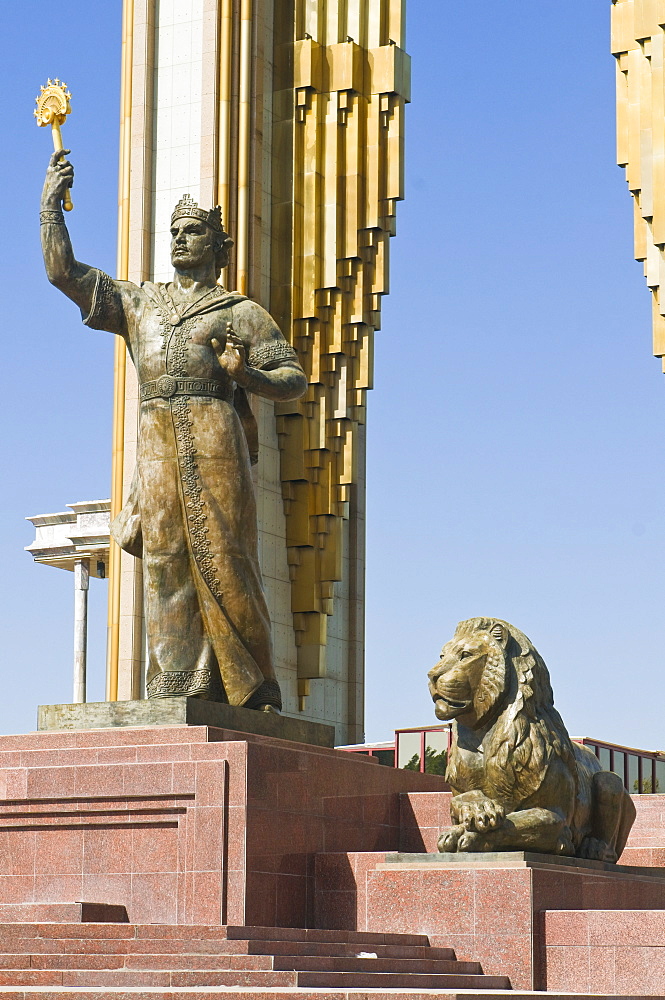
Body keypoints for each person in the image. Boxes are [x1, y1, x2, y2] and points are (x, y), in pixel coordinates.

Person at [40, 149, 307, 711]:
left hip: (216, 437)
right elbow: (65, 274)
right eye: (175, 231)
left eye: (193, 232)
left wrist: (246, 372)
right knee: (164, 557)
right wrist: (51, 210)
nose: (181, 239)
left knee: (226, 555)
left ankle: (251, 687)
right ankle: (175, 684)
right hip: (157, 440)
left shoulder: (239, 310)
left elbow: (294, 379)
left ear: (217, 247)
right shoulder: (141, 303)